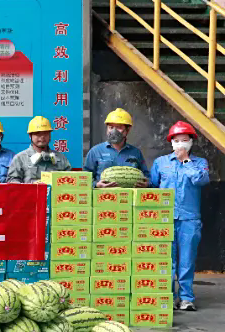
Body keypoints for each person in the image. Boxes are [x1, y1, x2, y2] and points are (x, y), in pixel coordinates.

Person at [150, 121, 209, 312]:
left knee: (187, 260)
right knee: (167, 260)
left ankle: (186, 298)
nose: (180, 144)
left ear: (191, 142)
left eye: (184, 140)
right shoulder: (160, 163)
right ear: (171, 142)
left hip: (189, 219)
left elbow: (201, 180)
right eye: (176, 140)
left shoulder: (199, 163)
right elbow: (153, 187)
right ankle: (168, 296)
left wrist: (185, 161)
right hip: (164, 218)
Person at [85, 107, 150, 188]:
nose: (114, 131)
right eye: (111, 127)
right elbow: (84, 179)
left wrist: (146, 184)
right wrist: (96, 185)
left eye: (119, 127)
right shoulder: (95, 151)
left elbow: (147, 177)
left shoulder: (136, 153)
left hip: (129, 195)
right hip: (103, 195)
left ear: (128, 130)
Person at [7, 116, 71, 183]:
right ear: (30, 136)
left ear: (50, 135)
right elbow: (12, 181)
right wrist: (31, 186)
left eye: (45, 133)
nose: (42, 136)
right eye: (37, 133)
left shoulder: (61, 158)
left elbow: (70, 181)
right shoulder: (20, 158)